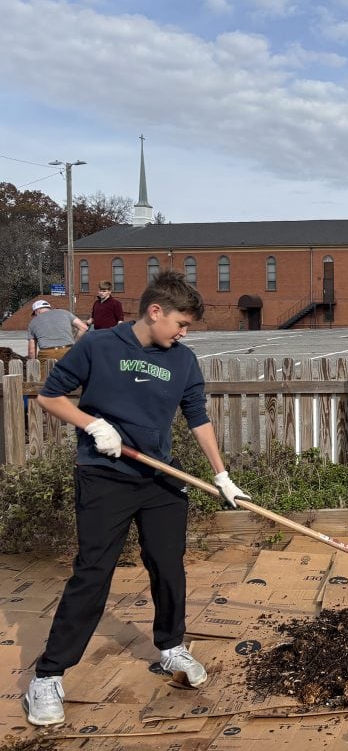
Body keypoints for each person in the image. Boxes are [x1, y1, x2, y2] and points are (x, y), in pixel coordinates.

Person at [22, 271, 251, 727]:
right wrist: (92, 425)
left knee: (168, 565)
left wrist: (222, 474)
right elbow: (50, 398)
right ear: (155, 311)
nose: (183, 334)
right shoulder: (99, 346)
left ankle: (171, 647)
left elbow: (197, 417)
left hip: (159, 480)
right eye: (180, 324)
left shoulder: (183, 361)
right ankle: (47, 676)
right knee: (93, 572)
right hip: (104, 475)